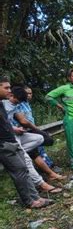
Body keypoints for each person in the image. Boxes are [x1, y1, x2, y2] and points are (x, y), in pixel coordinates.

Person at [0, 76, 53, 208]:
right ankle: (30, 201)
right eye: (6, 87)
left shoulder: (1, 103)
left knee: (23, 168)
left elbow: (6, 123)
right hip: (4, 144)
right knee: (20, 170)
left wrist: (14, 129)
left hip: (12, 140)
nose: (9, 90)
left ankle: (35, 198)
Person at [4, 87, 64, 192]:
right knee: (27, 158)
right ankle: (41, 184)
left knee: (39, 138)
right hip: (9, 136)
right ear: (11, 95)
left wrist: (37, 132)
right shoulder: (3, 104)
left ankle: (20, 152)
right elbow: (9, 123)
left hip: (17, 134)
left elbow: (16, 120)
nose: (18, 104)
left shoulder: (17, 105)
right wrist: (17, 128)